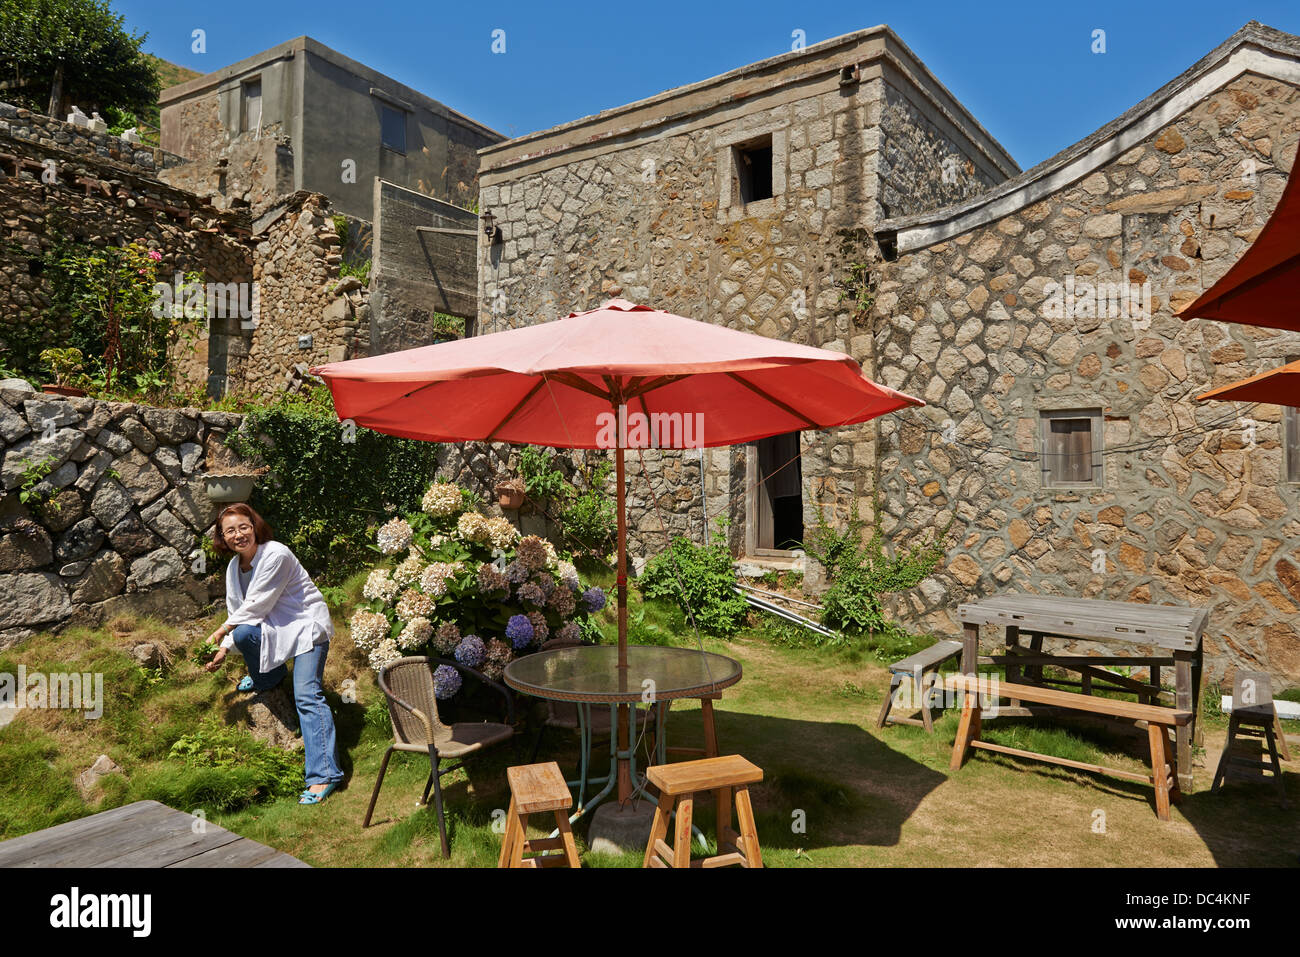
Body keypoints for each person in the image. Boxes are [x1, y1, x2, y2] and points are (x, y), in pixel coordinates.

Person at [202, 503, 344, 804]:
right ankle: (270, 676)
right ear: (222, 538)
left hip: (306, 629)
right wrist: (224, 649)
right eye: (230, 531)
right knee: (241, 633)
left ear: (254, 526)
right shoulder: (233, 569)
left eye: (244, 526)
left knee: (307, 694)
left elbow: (257, 606)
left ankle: (325, 775)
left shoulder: (276, 553)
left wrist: (221, 631)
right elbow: (238, 613)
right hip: (274, 632)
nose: (239, 534)